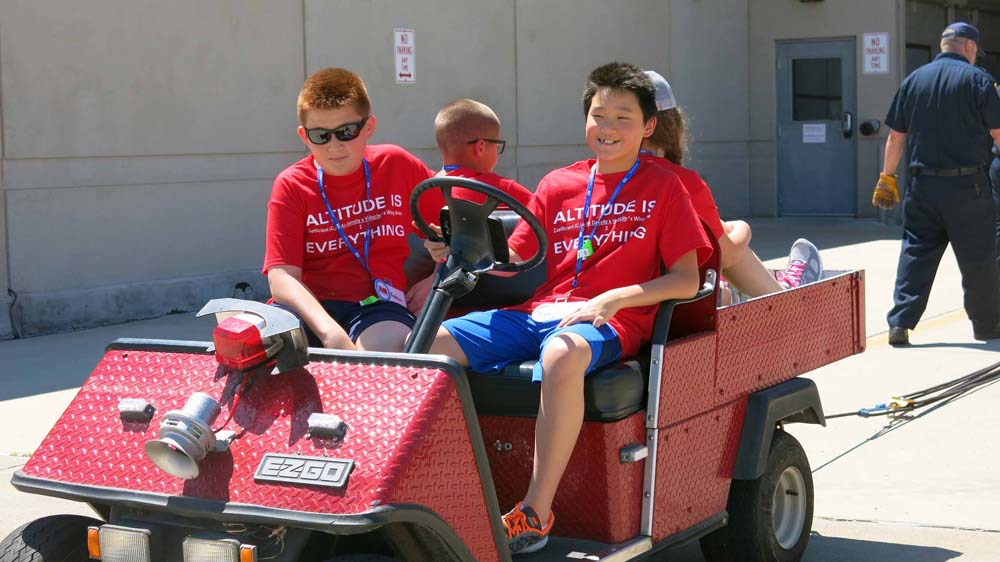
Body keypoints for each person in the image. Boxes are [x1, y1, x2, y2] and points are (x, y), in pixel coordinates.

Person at [425, 62, 712, 555]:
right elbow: (516, 255)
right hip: (540, 312)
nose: (608, 128)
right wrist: (461, 248)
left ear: (648, 128)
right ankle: (441, 491)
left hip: (612, 318)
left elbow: (687, 279)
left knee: (560, 354)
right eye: (599, 116)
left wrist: (618, 295)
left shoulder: (666, 186)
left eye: (624, 118)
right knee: (425, 342)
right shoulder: (558, 183)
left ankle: (535, 513)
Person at [262, 67, 442, 352]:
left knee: (384, 350)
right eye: (321, 135)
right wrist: (330, 333)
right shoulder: (292, 184)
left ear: (368, 127)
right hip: (309, 307)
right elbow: (282, 277)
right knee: (250, 345)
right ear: (304, 135)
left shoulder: (397, 164)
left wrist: (436, 278)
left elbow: (455, 230)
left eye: (346, 132)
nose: (334, 146)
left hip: (378, 304)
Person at [640, 70, 823, 302]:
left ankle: (768, 291)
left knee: (714, 237)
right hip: (667, 306)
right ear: (669, 123)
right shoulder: (679, 181)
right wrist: (743, 228)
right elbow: (726, 254)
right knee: (723, 249)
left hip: (617, 295)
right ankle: (783, 296)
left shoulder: (594, 178)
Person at [874, 22, 1000, 346]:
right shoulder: (979, 81)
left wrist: (887, 177)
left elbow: (895, 138)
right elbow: (999, 134)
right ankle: (985, 327)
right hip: (968, 189)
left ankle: (900, 324)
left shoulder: (914, 81)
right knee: (979, 260)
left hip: (922, 188)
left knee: (916, 254)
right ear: (969, 48)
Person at [405, 99, 534, 311]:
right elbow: (544, 215)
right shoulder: (500, 188)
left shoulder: (422, 192)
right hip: (490, 303)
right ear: (481, 146)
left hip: (424, 304)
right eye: (497, 146)